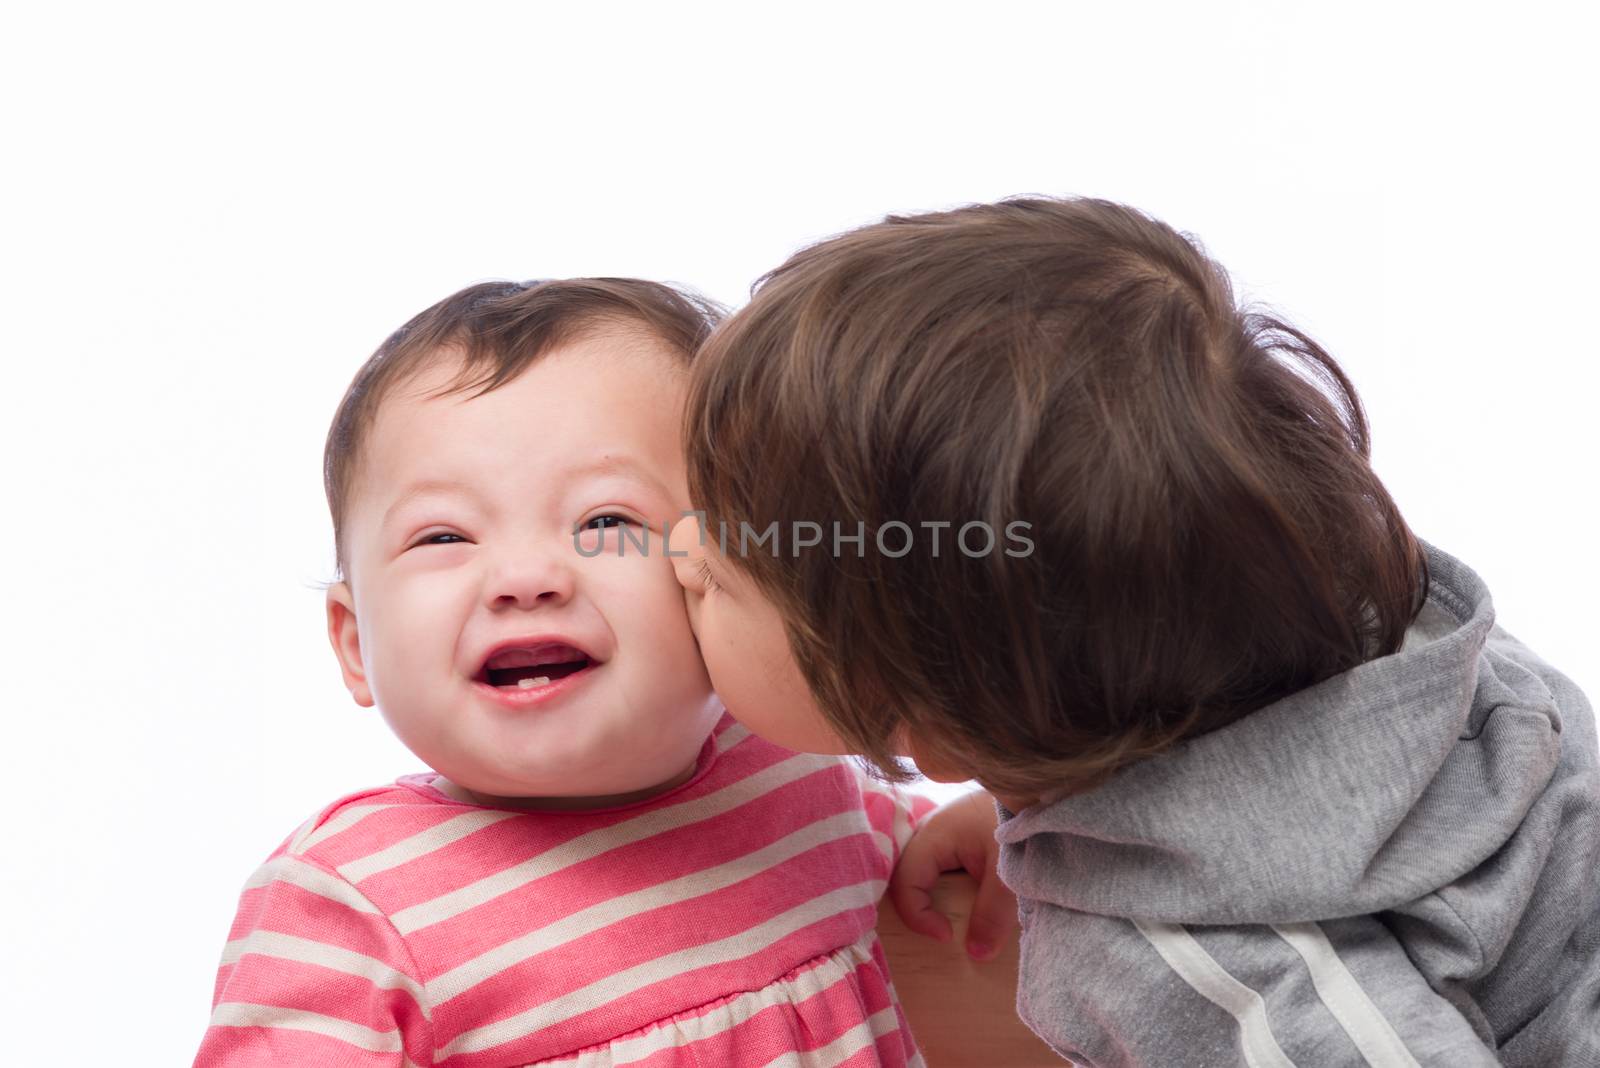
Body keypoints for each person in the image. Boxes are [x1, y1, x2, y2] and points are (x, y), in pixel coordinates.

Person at [670, 197, 1600, 1066]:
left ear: (945, 722)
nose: (680, 553)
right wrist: (1038, 809)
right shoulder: (1382, 626)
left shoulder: (1194, 964)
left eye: (723, 567)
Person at [193, 278, 1010, 1067]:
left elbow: (917, 905)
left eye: (606, 520)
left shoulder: (797, 774)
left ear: (725, 574)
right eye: (443, 537)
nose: (524, 576)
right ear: (353, 643)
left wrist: (977, 835)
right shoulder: (347, 907)